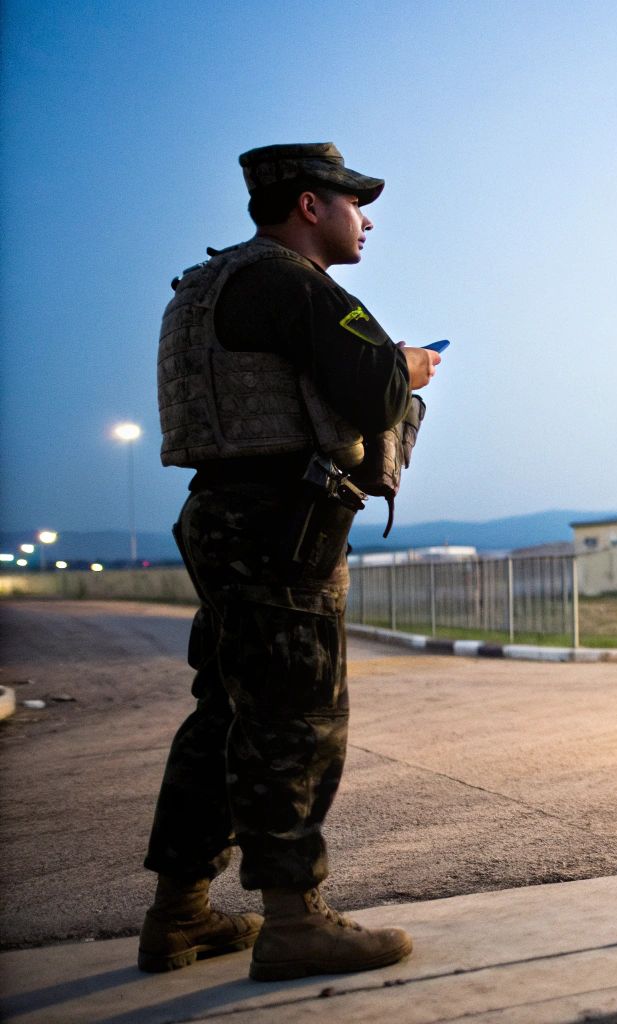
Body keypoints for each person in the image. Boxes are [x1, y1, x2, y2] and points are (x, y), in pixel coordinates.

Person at [140, 143, 440, 981]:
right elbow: (373, 390)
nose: (365, 218)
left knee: (228, 712)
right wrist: (410, 366)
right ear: (310, 205)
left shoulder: (210, 284)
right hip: (281, 519)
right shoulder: (289, 281)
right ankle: (294, 920)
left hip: (224, 510)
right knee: (295, 720)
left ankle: (180, 913)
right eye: (353, 202)